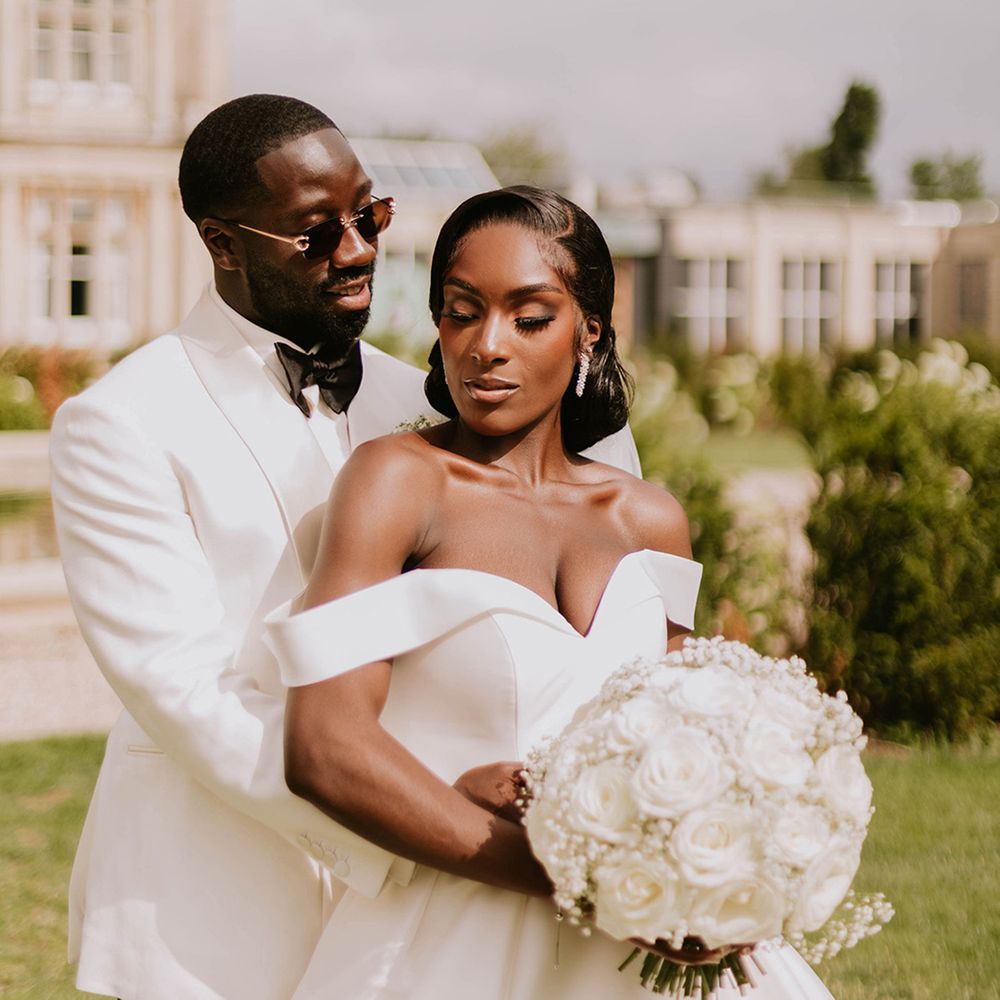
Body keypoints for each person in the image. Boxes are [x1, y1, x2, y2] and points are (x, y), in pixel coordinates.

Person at [50, 96, 643, 1000]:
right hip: (216, 900)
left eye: (370, 215)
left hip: (438, 923)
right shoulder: (119, 423)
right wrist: (430, 813)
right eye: (315, 234)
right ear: (222, 244)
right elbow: (185, 691)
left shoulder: (439, 397)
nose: (360, 250)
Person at [266, 187, 834, 998]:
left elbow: (684, 736)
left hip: (652, 946)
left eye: (529, 318)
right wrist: (588, 882)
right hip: (458, 935)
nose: (486, 346)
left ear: (589, 329)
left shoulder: (650, 518)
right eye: (461, 312)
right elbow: (323, 748)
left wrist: (712, 873)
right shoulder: (398, 482)